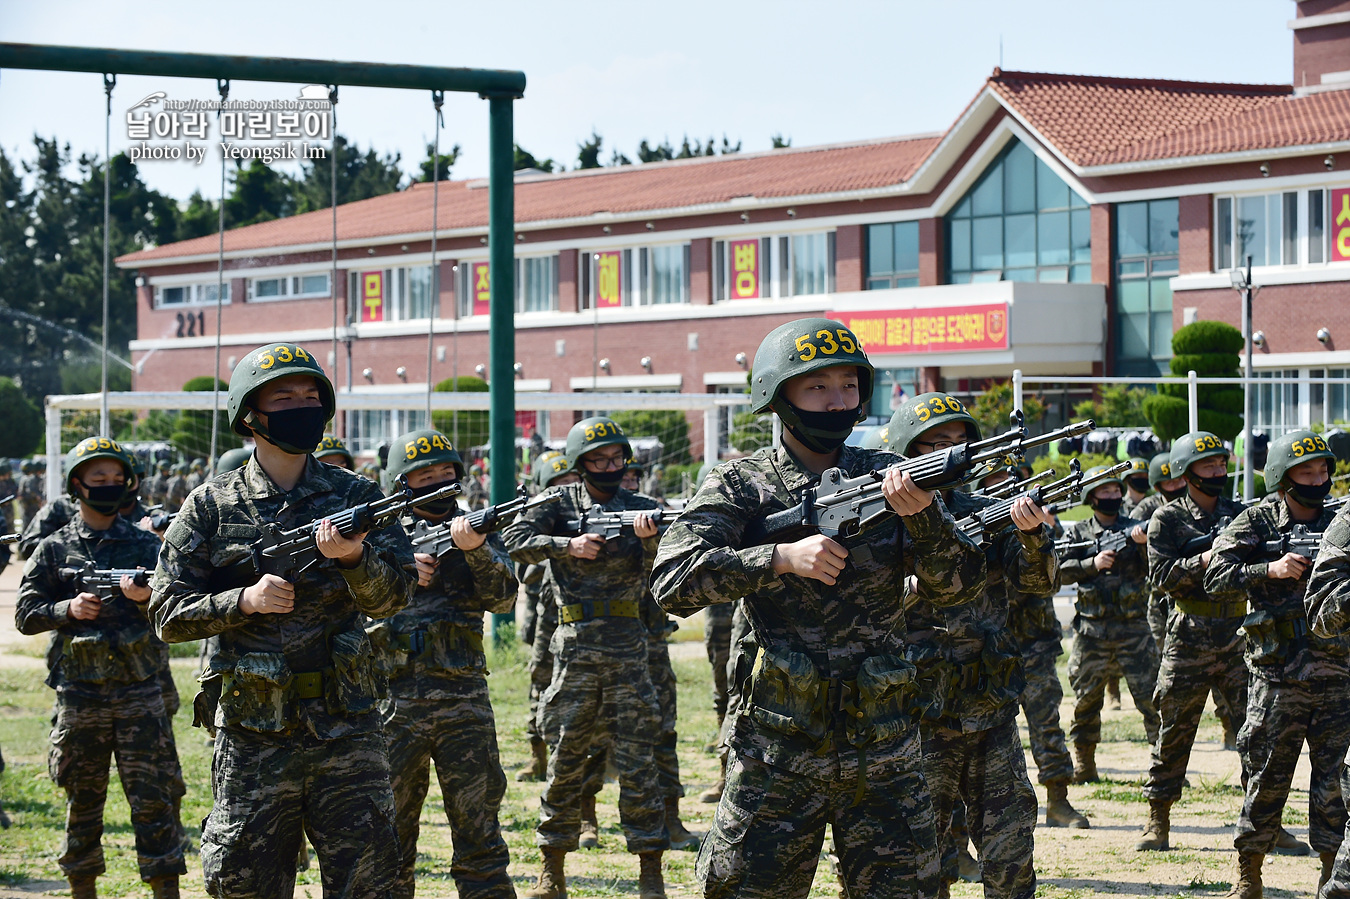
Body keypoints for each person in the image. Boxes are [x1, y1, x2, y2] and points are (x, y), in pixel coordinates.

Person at [651, 318, 987, 898]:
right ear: (778, 397)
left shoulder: (889, 478)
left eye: (849, 387)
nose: (838, 403)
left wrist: (924, 515)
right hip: (777, 749)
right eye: (818, 388)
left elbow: (958, 588)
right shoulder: (740, 484)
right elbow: (672, 582)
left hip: (885, 746)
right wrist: (777, 559)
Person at [149, 342, 413, 897]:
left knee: (371, 880)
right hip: (254, 732)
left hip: (348, 727)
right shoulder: (211, 505)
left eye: (311, 395)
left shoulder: (358, 496)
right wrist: (243, 602)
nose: (303, 405)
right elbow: (167, 615)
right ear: (250, 414)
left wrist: (355, 559)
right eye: (285, 397)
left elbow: (394, 599)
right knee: (246, 884)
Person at [886, 393, 1062, 895]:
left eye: (960, 442)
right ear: (905, 451)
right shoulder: (876, 520)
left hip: (989, 704)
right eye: (935, 444)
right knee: (920, 855)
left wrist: (1033, 538)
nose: (951, 453)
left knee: (1010, 849)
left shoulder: (989, 510)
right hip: (915, 713)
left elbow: (1038, 583)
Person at [503, 416, 672, 899]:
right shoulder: (556, 503)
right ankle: (551, 867)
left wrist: (650, 538)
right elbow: (514, 541)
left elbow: (673, 562)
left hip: (629, 647)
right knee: (565, 757)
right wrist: (566, 545)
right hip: (574, 647)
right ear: (580, 464)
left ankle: (650, 870)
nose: (609, 467)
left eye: (616, 459)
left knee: (640, 761)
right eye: (598, 460)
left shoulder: (642, 507)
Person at [16, 436, 186, 899]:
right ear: (77, 485)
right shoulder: (54, 548)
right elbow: (25, 614)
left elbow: (181, 609)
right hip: (81, 695)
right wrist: (66, 610)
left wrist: (147, 596)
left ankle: (165, 888)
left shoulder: (146, 545)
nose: (109, 486)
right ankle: (82, 888)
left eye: (117, 479)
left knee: (155, 801)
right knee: (83, 802)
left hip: (141, 693)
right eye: (98, 479)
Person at [369, 428, 517, 899]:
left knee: (479, 832)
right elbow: (346, 614)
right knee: (389, 837)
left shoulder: (478, 527)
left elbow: (505, 598)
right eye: (424, 476)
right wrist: (401, 573)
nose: (437, 484)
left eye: (445, 473)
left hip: (464, 702)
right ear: (400, 483)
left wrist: (475, 550)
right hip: (392, 704)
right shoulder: (373, 538)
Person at [1206, 430, 1348, 896]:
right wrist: (1269, 568)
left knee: (1335, 784)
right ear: (1283, 478)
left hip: (1338, 675)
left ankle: (1332, 874)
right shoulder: (1257, 521)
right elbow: (1214, 576)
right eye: (1306, 472)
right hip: (1278, 678)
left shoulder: (1340, 518)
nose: (1318, 479)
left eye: (1324, 470)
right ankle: (1249, 874)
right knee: (1266, 778)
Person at [1138, 431, 1248, 852]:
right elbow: (1162, 578)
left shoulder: (1239, 514)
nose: (1218, 472)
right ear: (1186, 473)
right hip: (1187, 640)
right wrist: (1205, 558)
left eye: (1222, 464)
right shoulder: (1166, 519)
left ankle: (1263, 819)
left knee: (1255, 736)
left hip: (1238, 637)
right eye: (1209, 466)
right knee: (1174, 733)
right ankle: (1158, 818)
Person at [1058, 466, 1161, 784]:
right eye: (1106, 492)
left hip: (1134, 629)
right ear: (1092, 497)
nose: (1113, 497)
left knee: (1152, 700)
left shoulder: (1134, 527)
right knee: (1086, 700)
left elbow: (1157, 570)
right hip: (1092, 632)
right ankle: (1084, 764)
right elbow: (1057, 570)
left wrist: (1144, 545)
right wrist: (1092, 564)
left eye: (1117, 491)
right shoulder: (1077, 534)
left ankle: (1163, 766)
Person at [517, 451, 580, 785]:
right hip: (548, 614)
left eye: (571, 483)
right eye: (558, 485)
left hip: (579, 614)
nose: (566, 490)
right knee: (540, 679)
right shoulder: (537, 523)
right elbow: (523, 568)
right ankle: (536, 753)